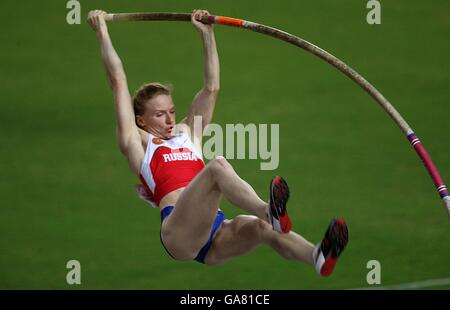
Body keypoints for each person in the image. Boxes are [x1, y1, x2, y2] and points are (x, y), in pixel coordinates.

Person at [87, 9, 348, 276]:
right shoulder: (137, 143)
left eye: (171, 111)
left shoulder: (188, 133)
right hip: (179, 234)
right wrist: (102, 32)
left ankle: (316, 256)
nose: (169, 119)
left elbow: (211, 88)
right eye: (159, 114)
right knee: (217, 167)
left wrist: (207, 35)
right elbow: (118, 82)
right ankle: (269, 212)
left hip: (214, 233)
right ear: (140, 120)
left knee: (261, 229)